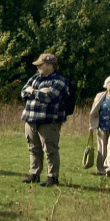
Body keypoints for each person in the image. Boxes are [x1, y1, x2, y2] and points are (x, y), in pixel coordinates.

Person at [20, 52, 68, 187]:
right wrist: (39, 92)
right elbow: (23, 92)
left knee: (50, 149)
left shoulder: (59, 80)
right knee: (33, 147)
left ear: (49, 65)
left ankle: (52, 177)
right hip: (30, 119)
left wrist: (33, 91)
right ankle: (34, 174)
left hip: (49, 120)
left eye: (40, 65)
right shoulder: (35, 78)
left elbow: (49, 97)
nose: (38, 68)